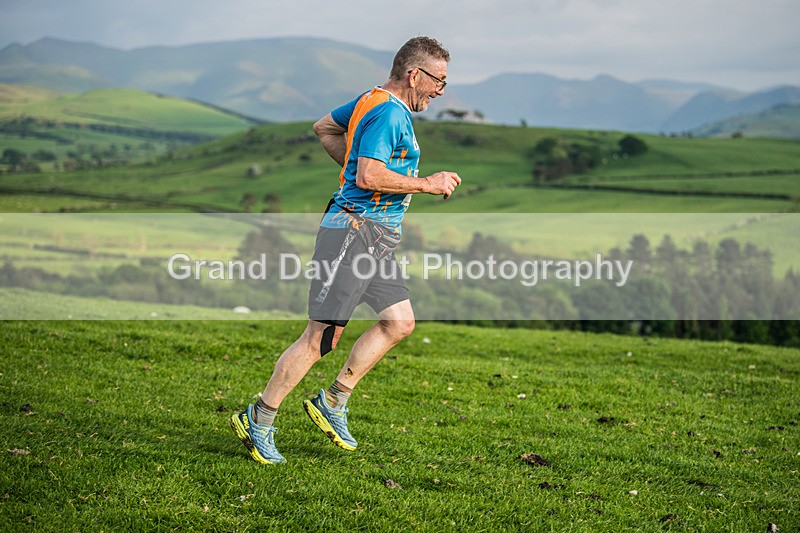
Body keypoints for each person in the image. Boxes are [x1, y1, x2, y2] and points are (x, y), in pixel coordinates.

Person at [229, 36, 461, 464]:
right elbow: (371, 175)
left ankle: (332, 401)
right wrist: (425, 183)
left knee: (399, 322)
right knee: (321, 337)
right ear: (415, 75)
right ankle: (258, 419)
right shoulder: (389, 114)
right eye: (439, 81)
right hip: (352, 235)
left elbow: (325, 127)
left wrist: (354, 169)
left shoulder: (370, 100)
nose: (441, 91)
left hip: (374, 238)